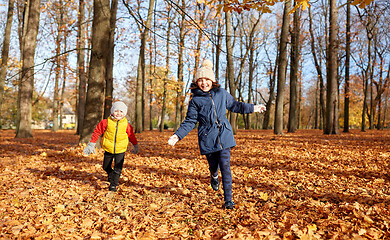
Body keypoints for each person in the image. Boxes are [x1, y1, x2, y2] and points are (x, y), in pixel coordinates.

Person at [168, 59, 266, 209]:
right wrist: (177, 135)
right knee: (214, 165)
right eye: (200, 80)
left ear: (212, 81)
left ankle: (228, 200)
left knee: (225, 165)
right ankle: (214, 175)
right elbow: (190, 121)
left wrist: (253, 108)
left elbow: (235, 105)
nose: (204, 83)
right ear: (197, 82)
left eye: (207, 79)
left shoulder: (221, 93)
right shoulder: (195, 100)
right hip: (208, 138)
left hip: (224, 134)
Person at [83, 101, 139, 192]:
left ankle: (113, 185)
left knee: (118, 168)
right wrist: (92, 143)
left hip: (120, 150)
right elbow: (97, 132)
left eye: (121, 112)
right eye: (116, 111)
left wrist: (135, 145)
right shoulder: (105, 122)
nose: (118, 113)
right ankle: (111, 174)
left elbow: (131, 136)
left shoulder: (127, 125)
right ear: (112, 111)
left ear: (124, 113)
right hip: (108, 148)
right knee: (105, 167)